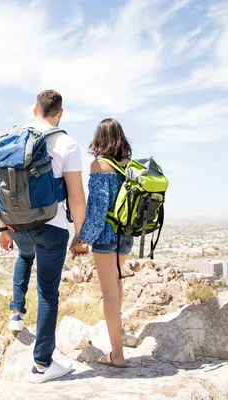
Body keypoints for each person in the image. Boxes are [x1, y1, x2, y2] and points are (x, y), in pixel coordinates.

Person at [0, 89, 87, 383]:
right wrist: (80, 235)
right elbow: (76, 196)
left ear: (34, 110)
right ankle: (42, 365)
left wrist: (2, 228)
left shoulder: (12, 139)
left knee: (25, 255)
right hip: (52, 225)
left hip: (16, 225)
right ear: (60, 113)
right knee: (48, 292)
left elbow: (0, 188)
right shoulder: (66, 143)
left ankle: (16, 311)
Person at [75, 118, 133, 368]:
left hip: (107, 237)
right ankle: (117, 339)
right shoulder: (129, 166)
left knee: (109, 293)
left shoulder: (99, 165)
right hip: (126, 235)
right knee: (117, 287)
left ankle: (117, 355)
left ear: (99, 139)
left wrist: (81, 240)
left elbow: (97, 212)